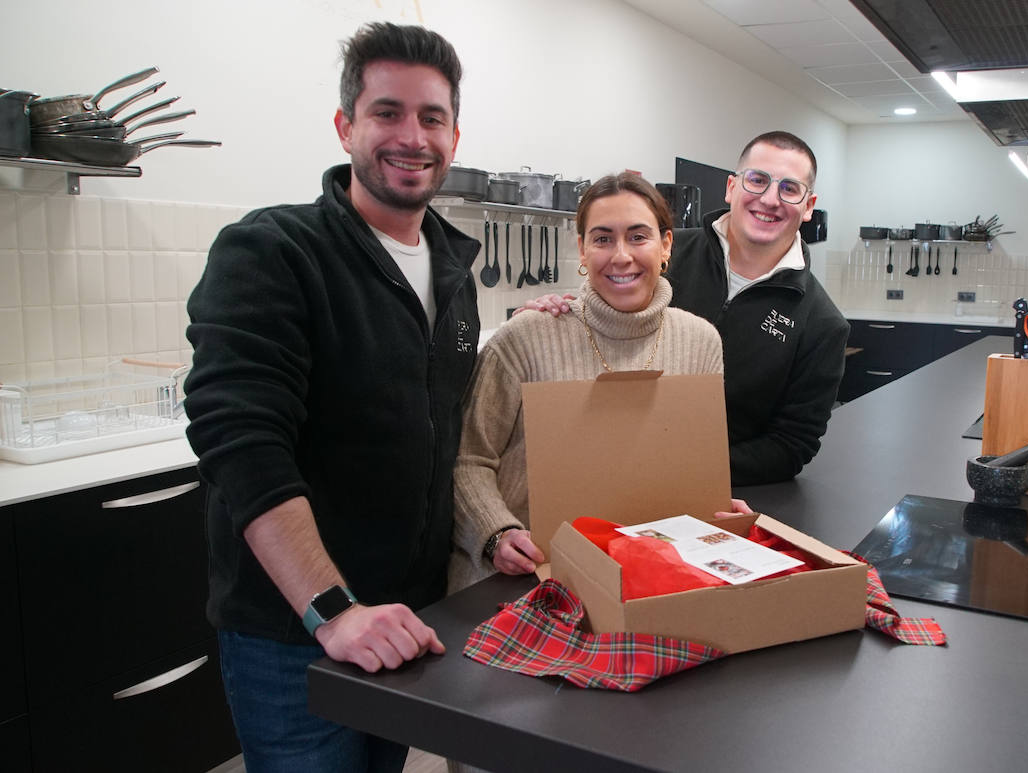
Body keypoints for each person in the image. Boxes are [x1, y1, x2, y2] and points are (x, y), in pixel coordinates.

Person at [183, 22, 478, 773]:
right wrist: (333, 610)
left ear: (453, 134)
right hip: (296, 633)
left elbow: (440, 433)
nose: (411, 135)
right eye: (387, 112)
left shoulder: (452, 269)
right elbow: (240, 444)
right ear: (346, 126)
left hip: (406, 619)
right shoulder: (275, 251)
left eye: (432, 117)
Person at [448, 172, 729, 591]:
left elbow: (690, 466)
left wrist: (714, 504)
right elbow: (469, 459)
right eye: (602, 239)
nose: (621, 256)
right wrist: (496, 534)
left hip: (643, 575)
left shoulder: (701, 342)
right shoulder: (525, 338)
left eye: (638, 237)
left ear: (666, 245)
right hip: (523, 579)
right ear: (581, 248)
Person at [524, 132, 848, 486]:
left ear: (809, 205)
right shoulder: (662, 253)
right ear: (731, 187)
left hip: (713, 496)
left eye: (789, 188)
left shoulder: (822, 323)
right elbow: (604, 315)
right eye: (757, 180)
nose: (770, 199)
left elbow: (791, 445)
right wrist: (562, 313)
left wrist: (680, 469)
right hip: (596, 471)